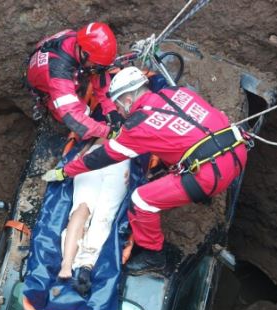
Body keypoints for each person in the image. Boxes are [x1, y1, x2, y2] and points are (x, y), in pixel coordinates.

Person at [42, 66, 249, 275]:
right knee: (174, 152)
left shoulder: (138, 126)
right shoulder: (177, 93)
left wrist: (66, 171)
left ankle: (154, 255)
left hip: (209, 176)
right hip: (235, 151)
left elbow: (101, 157)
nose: (120, 112)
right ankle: (199, 195)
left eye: (119, 106)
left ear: (128, 100)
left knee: (141, 200)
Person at [26, 22, 124, 141]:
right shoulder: (59, 73)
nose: (98, 69)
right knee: (83, 112)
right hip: (48, 85)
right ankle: (61, 134)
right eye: (97, 65)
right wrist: (106, 132)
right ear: (84, 54)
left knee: (92, 71)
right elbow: (72, 116)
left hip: (57, 67)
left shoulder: (81, 42)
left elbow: (99, 75)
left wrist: (111, 110)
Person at [57, 141, 130, 295]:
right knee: (81, 209)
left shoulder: (140, 122)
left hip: (120, 159)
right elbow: (91, 132)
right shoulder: (106, 120)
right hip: (96, 155)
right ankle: (68, 263)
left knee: (103, 216)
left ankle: (86, 264)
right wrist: (82, 153)